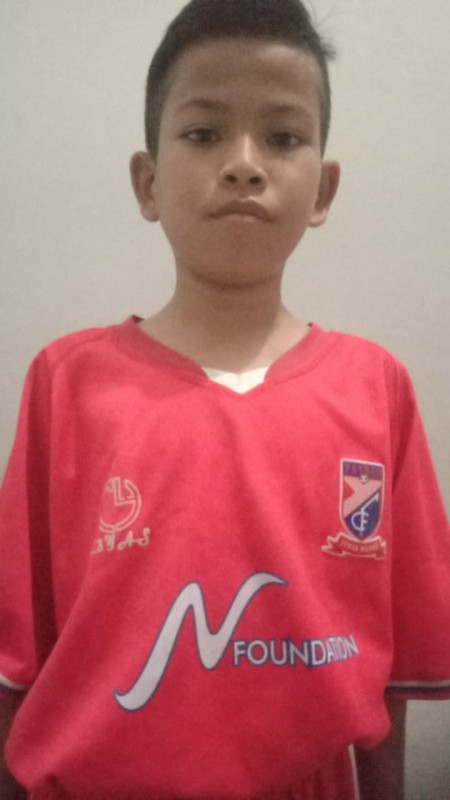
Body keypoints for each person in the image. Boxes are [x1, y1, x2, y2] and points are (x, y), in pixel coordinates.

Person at [0, 0, 449, 798]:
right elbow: (15, 668)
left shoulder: (376, 388)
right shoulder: (66, 383)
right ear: (147, 182)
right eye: (204, 133)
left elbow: (393, 678)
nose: (244, 164)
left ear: (324, 189)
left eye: (283, 137)